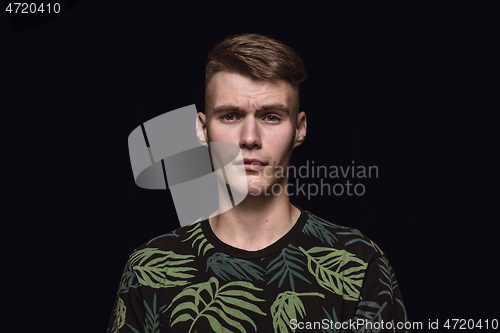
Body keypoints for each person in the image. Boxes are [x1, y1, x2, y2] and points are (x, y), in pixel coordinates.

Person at [107, 33, 411, 333]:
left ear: (300, 129)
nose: (249, 138)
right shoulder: (150, 269)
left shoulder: (359, 263)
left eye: (271, 117)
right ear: (202, 130)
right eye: (229, 116)